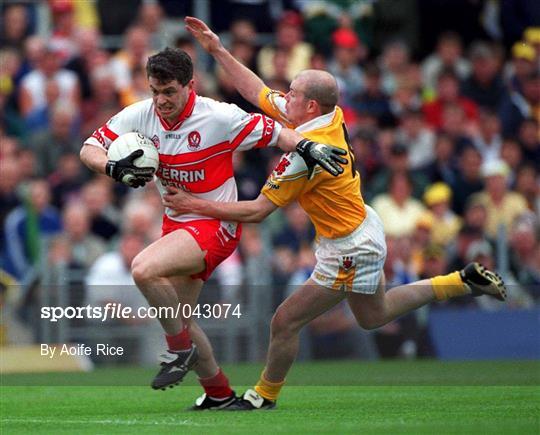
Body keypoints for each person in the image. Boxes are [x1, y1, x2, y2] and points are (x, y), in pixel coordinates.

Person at [164, 17, 508, 410]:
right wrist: (217, 50)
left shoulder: (306, 153)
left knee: (286, 320)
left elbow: (258, 210)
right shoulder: (325, 114)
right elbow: (258, 92)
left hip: (349, 245)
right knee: (374, 315)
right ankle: (461, 281)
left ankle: (263, 396)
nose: (283, 97)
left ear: (309, 105)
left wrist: (196, 205)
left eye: (291, 93)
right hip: (361, 225)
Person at [79, 45, 346, 407]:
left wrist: (307, 147)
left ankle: (179, 352)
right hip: (176, 225)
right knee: (183, 320)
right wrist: (112, 167)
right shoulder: (140, 115)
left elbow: (275, 132)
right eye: (155, 91)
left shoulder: (218, 116)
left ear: (191, 85)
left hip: (216, 223)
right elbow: (89, 148)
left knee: (142, 269)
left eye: (169, 91)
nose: (161, 100)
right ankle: (218, 394)